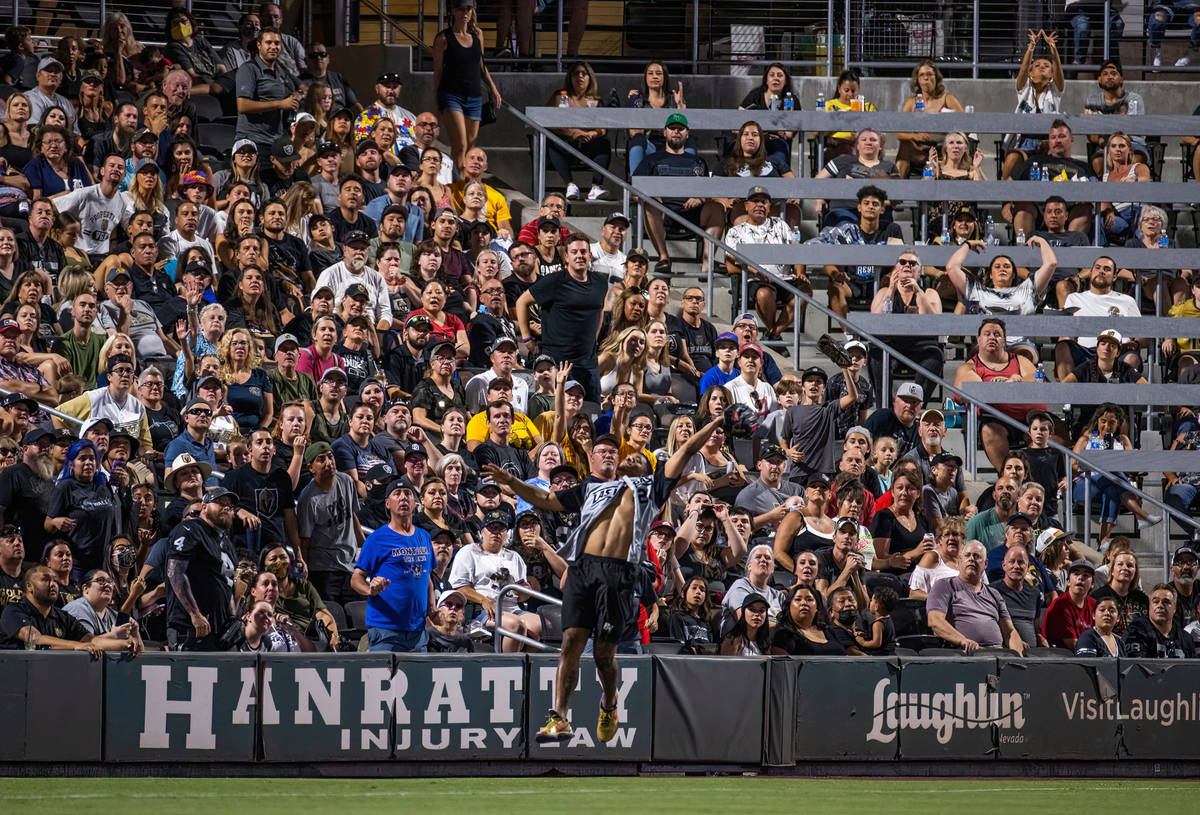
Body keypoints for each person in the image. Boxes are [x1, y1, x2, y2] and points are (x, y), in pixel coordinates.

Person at [484, 413, 723, 741]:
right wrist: (512, 483)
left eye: (632, 456)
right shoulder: (592, 488)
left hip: (618, 574)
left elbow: (684, 453)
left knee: (602, 655)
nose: (625, 457)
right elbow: (547, 499)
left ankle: (609, 702)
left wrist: (712, 424)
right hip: (583, 569)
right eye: (613, 452)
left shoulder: (652, 487)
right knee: (570, 643)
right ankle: (560, 717)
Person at [516, 234, 607, 402]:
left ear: (590, 255)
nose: (579, 255)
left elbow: (599, 310)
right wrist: (527, 337)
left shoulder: (600, 282)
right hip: (558, 362)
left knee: (591, 412)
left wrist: (593, 338)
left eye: (583, 251)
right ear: (566, 257)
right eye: (574, 252)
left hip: (588, 363)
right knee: (559, 414)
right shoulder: (554, 281)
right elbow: (522, 302)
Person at [351, 481, 438, 653]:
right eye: (397, 493)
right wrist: (370, 589)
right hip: (386, 630)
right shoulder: (376, 538)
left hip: (417, 632)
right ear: (388, 503)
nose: (403, 497)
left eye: (408, 493)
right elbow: (355, 579)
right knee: (384, 679)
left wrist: (432, 608)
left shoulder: (425, 536)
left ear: (415, 502)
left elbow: (427, 578)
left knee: (417, 680)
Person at [633, 114, 721, 275]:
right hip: (662, 214)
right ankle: (664, 258)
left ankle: (708, 264)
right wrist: (651, 195)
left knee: (716, 208)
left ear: (687, 133)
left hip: (692, 213)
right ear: (665, 132)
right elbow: (635, 190)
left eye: (680, 129)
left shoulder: (698, 161)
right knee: (649, 204)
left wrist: (699, 198)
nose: (676, 132)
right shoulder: (651, 160)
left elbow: (708, 192)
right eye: (672, 128)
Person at [952, 318, 1043, 471]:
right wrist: (1009, 383)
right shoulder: (969, 367)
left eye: (997, 334)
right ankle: (1007, 477)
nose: (992, 337)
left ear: (1005, 340)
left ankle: (1058, 479)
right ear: (978, 340)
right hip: (996, 419)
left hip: (1030, 417)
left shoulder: (1019, 360)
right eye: (987, 334)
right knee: (990, 431)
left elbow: (1036, 381)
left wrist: (1013, 380)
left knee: (1054, 430)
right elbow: (969, 388)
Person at [724, 186, 810, 345]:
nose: (760, 205)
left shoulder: (781, 224)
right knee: (764, 294)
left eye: (764, 202)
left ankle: (774, 333)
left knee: (805, 291)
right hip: (755, 280)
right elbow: (730, 263)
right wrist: (753, 271)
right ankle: (774, 334)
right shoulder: (736, 232)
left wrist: (799, 271)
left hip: (784, 278)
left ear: (770, 206)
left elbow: (796, 250)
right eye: (755, 201)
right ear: (746, 206)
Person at [164, 487, 240, 651]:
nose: (227, 507)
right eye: (220, 503)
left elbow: (227, 583)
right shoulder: (191, 529)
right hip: (191, 628)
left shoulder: (226, 542)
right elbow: (175, 572)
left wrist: (233, 618)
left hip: (220, 631)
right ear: (204, 507)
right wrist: (194, 614)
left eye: (230, 506)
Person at [0, 565, 138, 653]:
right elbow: (34, 638)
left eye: (54, 580)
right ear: (29, 586)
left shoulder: (63, 616)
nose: (53, 584)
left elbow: (91, 640)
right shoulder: (13, 611)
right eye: (46, 579)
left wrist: (124, 644)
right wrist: (76, 645)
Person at [432, 0, 501, 169]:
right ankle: (460, 184)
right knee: (460, 144)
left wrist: (493, 88)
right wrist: (437, 98)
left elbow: (481, 65)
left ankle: (463, 180)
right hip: (451, 95)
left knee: (470, 146)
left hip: (474, 96)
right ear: (454, 12)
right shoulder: (443, 38)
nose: (465, 13)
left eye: (468, 10)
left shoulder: (477, 35)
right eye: (461, 9)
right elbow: (438, 71)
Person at [868, 250, 943, 404]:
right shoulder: (884, 292)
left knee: (935, 356)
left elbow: (935, 322)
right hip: (892, 346)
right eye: (902, 262)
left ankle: (915, 404)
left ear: (920, 271)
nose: (907, 265)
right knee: (876, 354)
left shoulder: (929, 293)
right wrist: (891, 289)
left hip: (921, 347)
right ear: (896, 268)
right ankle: (885, 406)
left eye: (913, 263)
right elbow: (874, 321)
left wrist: (918, 291)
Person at [925, 540, 1026, 654]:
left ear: (985, 564)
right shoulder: (944, 586)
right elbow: (935, 621)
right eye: (967, 555)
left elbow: (1009, 631)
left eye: (977, 556)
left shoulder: (994, 594)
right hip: (963, 653)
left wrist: (1018, 657)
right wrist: (963, 641)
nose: (971, 559)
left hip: (997, 653)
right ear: (959, 561)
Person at [298, 442, 364, 605]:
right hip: (324, 570)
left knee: (358, 615)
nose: (329, 462)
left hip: (350, 565)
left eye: (330, 456)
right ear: (311, 468)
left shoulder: (347, 481)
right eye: (321, 459)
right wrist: (306, 576)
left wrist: (365, 545)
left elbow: (352, 515)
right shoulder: (308, 498)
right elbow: (304, 541)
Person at [546, 62, 609, 202]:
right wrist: (573, 133)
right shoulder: (560, 96)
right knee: (552, 141)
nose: (579, 77)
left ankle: (595, 187)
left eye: (584, 74)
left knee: (603, 144)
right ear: (570, 77)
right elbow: (548, 122)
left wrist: (591, 134)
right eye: (576, 73)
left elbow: (603, 129)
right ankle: (570, 185)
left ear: (590, 78)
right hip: (566, 143)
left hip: (588, 143)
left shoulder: (596, 101)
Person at [234, 27, 301, 152]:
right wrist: (280, 104)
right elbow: (242, 106)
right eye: (268, 42)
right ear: (259, 45)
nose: (273, 47)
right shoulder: (248, 69)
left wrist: (297, 95)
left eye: (277, 43)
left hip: (276, 140)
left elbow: (300, 88)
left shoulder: (281, 71)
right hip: (254, 141)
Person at [769, 584, 844, 655]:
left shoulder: (829, 630)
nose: (804, 603)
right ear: (789, 606)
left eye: (809, 599)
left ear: (817, 607)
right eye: (798, 599)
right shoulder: (782, 634)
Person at [1124, 584, 1196, 658]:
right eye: (1156, 601)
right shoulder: (1135, 632)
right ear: (1149, 606)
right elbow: (1136, 666)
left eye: (1166, 602)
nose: (1160, 606)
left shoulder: (1186, 639)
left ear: (1174, 608)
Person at [1041, 559, 1098, 649]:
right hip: (1062, 658)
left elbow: (1104, 633)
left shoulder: (1094, 604)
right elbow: (1074, 646)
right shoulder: (1060, 605)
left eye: (1086, 575)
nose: (1080, 578)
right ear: (1068, 581)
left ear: (1092, 584)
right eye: (1076, 574)